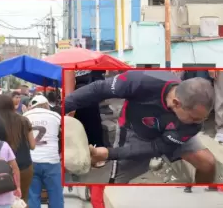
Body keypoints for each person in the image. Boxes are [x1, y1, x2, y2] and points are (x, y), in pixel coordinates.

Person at [65, 70, 216, 184]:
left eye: (204, 118)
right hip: (135, 131)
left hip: (172, 135)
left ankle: (200, 197)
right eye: (195, 117)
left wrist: (108, 153)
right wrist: (58, 112)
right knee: (118, 183)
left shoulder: (192, 125)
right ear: (176, 103)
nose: (199, 123)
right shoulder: (142, 81)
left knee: (207, 163)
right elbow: (98, 89)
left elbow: (157, 147)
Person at [0, 94, 36, 208]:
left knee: (4, 201)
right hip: (25, 166)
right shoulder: (24, 120)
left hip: (3, 168)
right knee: (22, 199)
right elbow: (33, 145)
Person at [25, 95, 64, 208]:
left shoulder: (25, 117)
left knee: (33, 196)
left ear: (32, 106)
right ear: (47, 105)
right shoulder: (55, 116)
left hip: (31, 160)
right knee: (56, 195)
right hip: (51, 161)